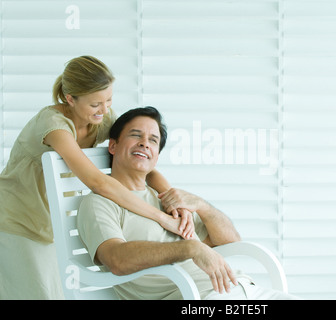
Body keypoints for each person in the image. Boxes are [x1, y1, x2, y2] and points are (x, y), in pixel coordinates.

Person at [0, 56, 193, 300]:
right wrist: (160, 217)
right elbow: (97, 182)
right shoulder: (53, 125)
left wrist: (175, 203)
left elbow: (141, 161)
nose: (104, 110)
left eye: (109, 100)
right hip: (17, 223)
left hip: (51, 227)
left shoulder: (100, 120)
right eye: (95, 104)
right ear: (70, 99)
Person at [77, 107, 298, 300]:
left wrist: (202, 206)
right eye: (136, 135)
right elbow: (116, 259)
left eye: (153, 140)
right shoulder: (100, 203)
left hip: (246, 290)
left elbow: (231, 242)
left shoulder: (167, 199)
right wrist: (189, 248)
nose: (145, 143)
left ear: (156, 156)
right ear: (113, 146)